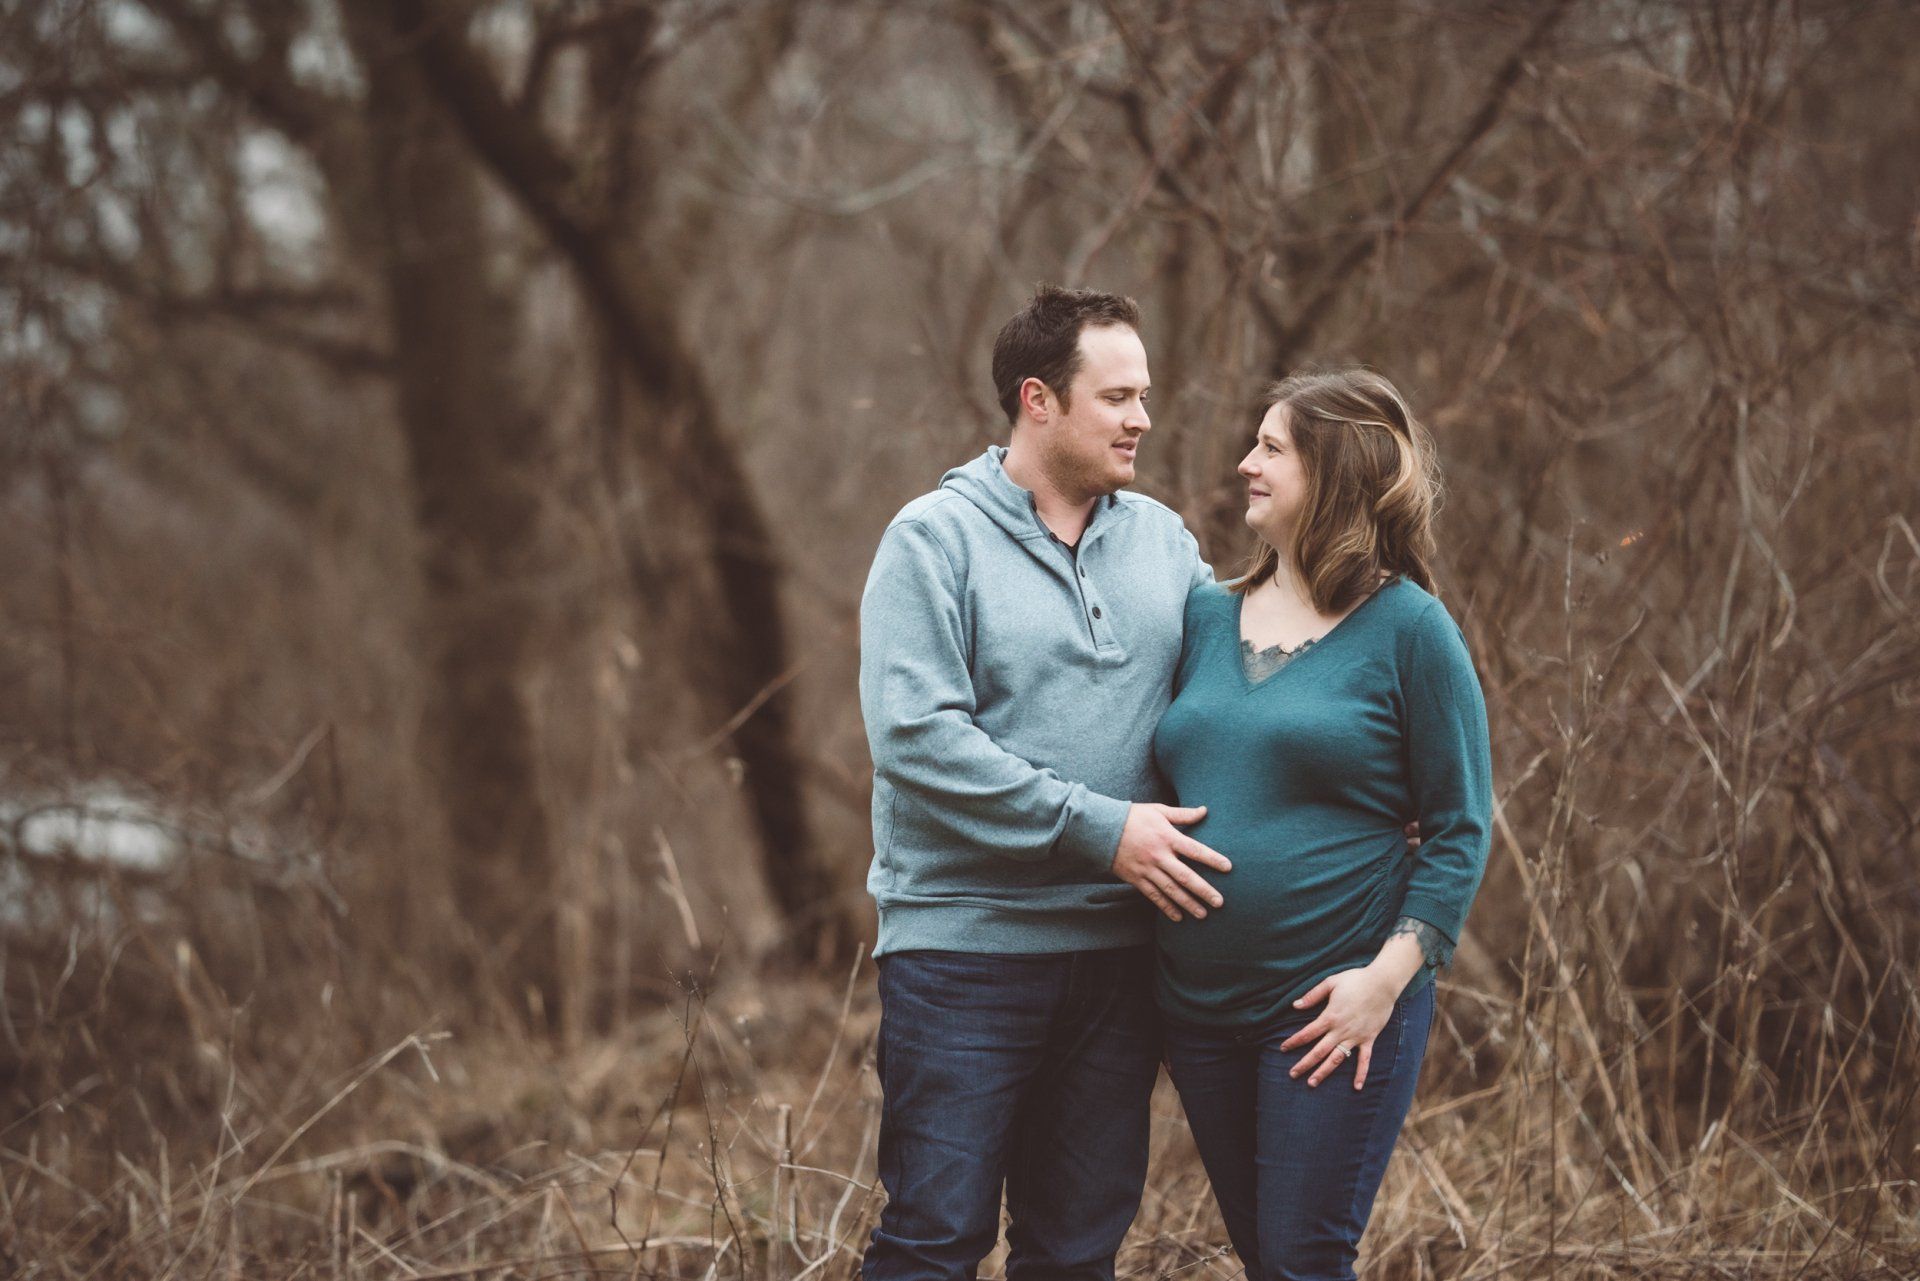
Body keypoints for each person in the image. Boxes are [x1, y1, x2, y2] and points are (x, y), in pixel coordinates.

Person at [857, 284, 1225, 1281]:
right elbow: (917, 739)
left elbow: (1240, 700)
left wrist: (1374, 787)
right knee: (935, 1238)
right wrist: (1100, 828)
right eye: (1117, 397)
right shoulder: (933, 540)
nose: (1142, 418)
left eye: (1144, 395)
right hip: (963, 955)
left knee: (1076, 1252)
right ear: (1039, 400)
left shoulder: (1164, 542)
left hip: (1119, 960)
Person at [1151, 369, 1493, 1281]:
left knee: (1304, 1259)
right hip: (1199, 1013)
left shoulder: (1411, 630)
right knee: (1268, 1260)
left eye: (1271, 448)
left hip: (1335, 1010)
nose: (1245, 463)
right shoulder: (1204, 616)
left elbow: (1460, 828)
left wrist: (1384, 982)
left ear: (1334, 473)